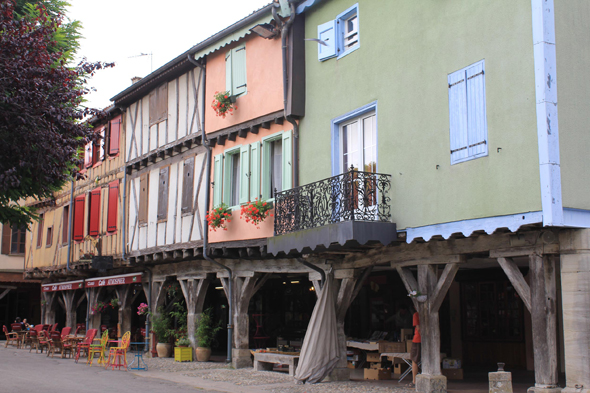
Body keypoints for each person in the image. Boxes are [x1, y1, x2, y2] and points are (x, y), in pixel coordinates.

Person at [411, 311, 421, 386]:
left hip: (418, 339)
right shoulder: (428, 313)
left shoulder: (416, 314)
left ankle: (414, 381)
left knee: (414, 360)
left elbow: (418, 328)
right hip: (427, 340)